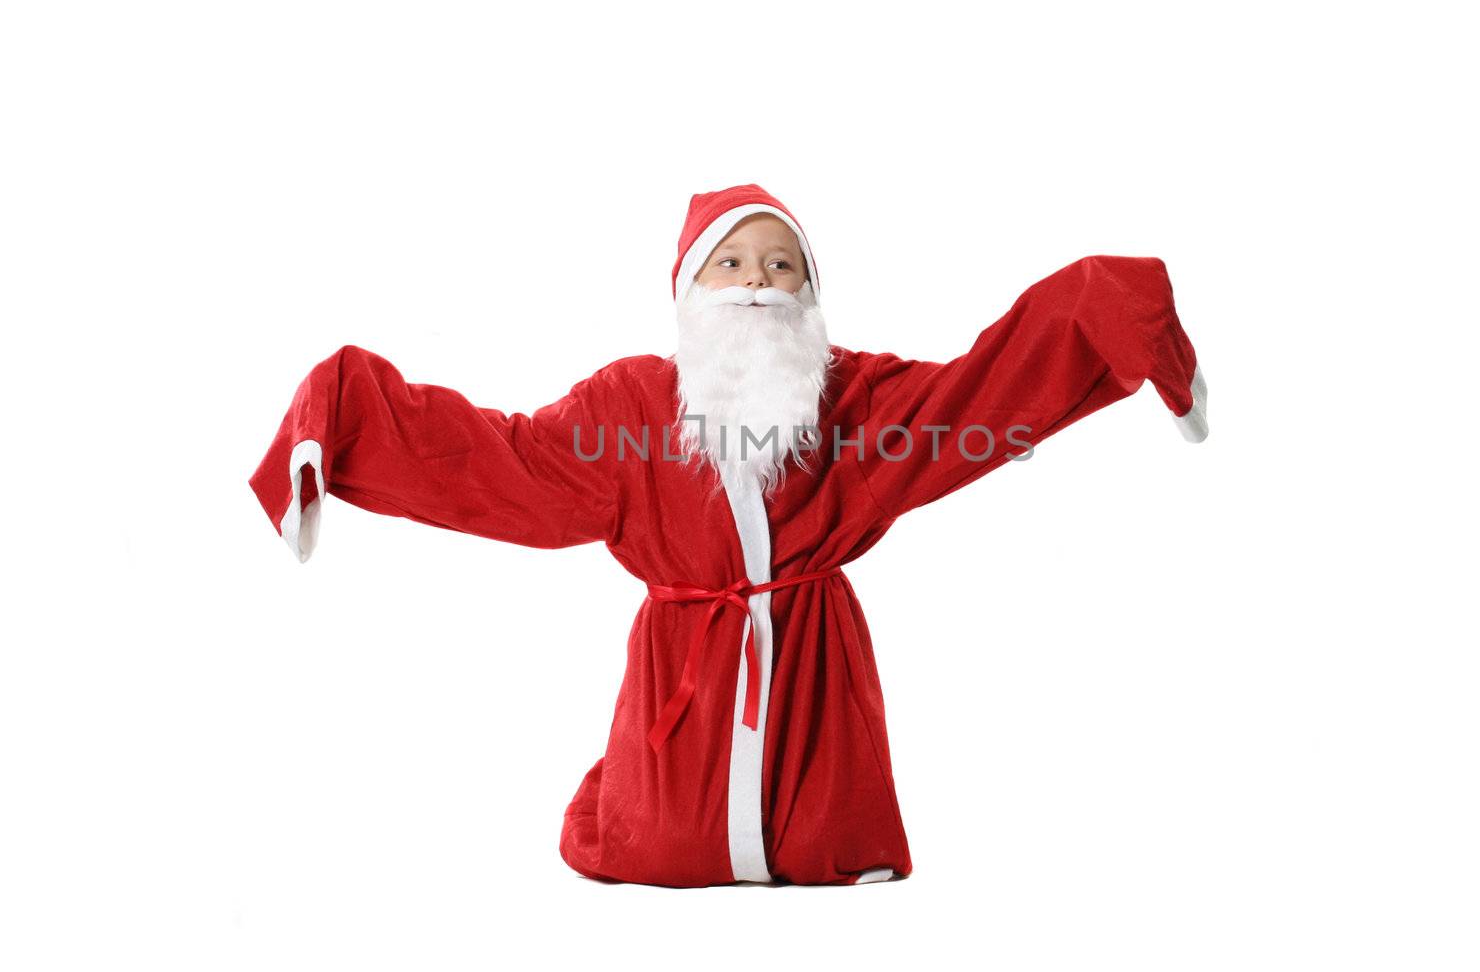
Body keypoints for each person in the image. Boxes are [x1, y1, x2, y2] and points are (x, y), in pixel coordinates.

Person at [248, 182, 1209, 887]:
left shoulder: (855, 400)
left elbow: (980, 392)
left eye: (780, 265)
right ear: (691, 289)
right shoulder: (630, 405)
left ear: (810, 296)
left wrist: (1113, 314)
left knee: (833, 829)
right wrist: (341, 418)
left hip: (816, 676)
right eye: (733, 263)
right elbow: (507, 465)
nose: (757, 283)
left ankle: (827, 834)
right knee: (655, 839)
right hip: (685, 682)